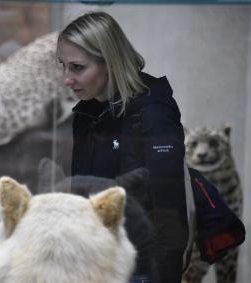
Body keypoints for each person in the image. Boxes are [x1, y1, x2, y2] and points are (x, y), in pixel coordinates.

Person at [57, 11, 191, 283]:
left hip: (139, 270)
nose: (66, 78)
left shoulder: (153, 113)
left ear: (109, 62)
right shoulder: (85, 114)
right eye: (63, 66)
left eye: (77, 67)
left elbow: (169, 214)